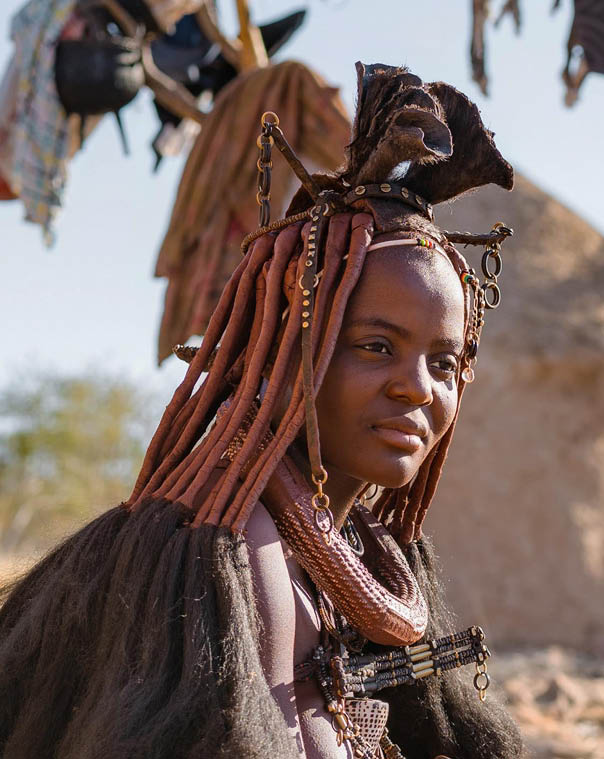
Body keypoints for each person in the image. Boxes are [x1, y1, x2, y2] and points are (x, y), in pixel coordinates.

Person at [0, 63, 525, 759]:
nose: (417, 388)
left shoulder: (368, 552)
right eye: (375, 345)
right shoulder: (238, 559)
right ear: (286, 348)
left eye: (444, 362)